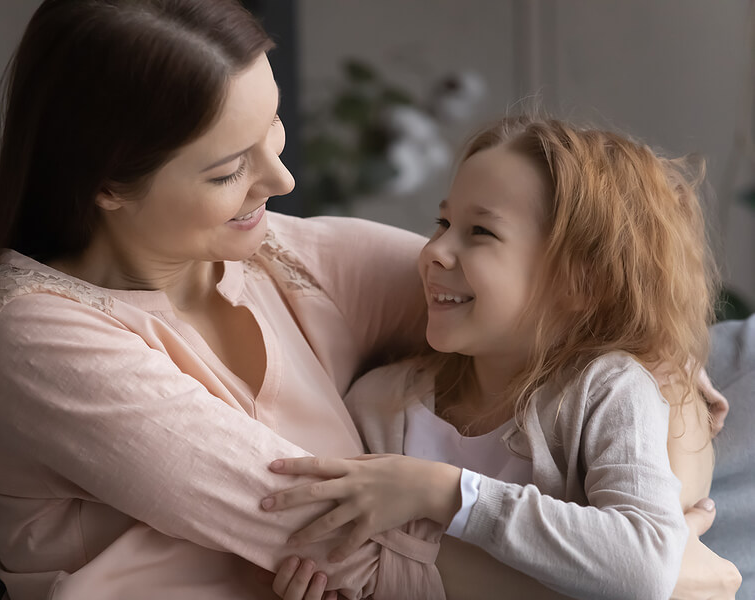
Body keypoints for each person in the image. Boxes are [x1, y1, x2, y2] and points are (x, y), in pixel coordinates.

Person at [0, 1, 449, 598]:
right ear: (107, 183)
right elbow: (337, 539)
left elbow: (536, 310)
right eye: (228, 171)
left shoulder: (284, 259)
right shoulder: (30, 332)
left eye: (273, 126)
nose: (283, 180)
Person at [262, 116, 743, 599]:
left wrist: (445, 492)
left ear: (582, 283)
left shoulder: (609, 390)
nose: (435, 251)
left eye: (480, 232)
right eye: (444, 223)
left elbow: (645, 567)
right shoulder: (379, 402)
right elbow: (358, 557)